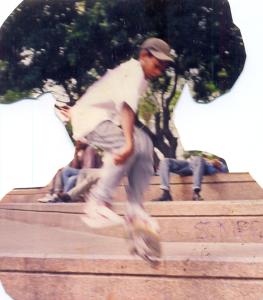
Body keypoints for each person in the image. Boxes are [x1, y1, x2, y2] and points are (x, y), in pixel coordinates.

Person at [69, 37, 174, 228]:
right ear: (144, 55)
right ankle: (97, 204)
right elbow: (126, 108)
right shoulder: (133, 72)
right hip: (90, 119)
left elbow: (126, 111)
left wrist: (134, 143)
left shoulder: (140, 78)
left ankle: (135, 207)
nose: (158, 72)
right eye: (157, 65)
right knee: (127, 146)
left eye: (162, 69)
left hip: (104, 118)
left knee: (145, 144)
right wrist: (128, 143)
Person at [153, 155, 228, 201]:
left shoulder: (218, 163)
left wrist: (219, 164)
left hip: (200, 166)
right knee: (165, 160)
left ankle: (196, 193)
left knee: (199, 158)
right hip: (187, 164)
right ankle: (166, 193)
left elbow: (225, 171)